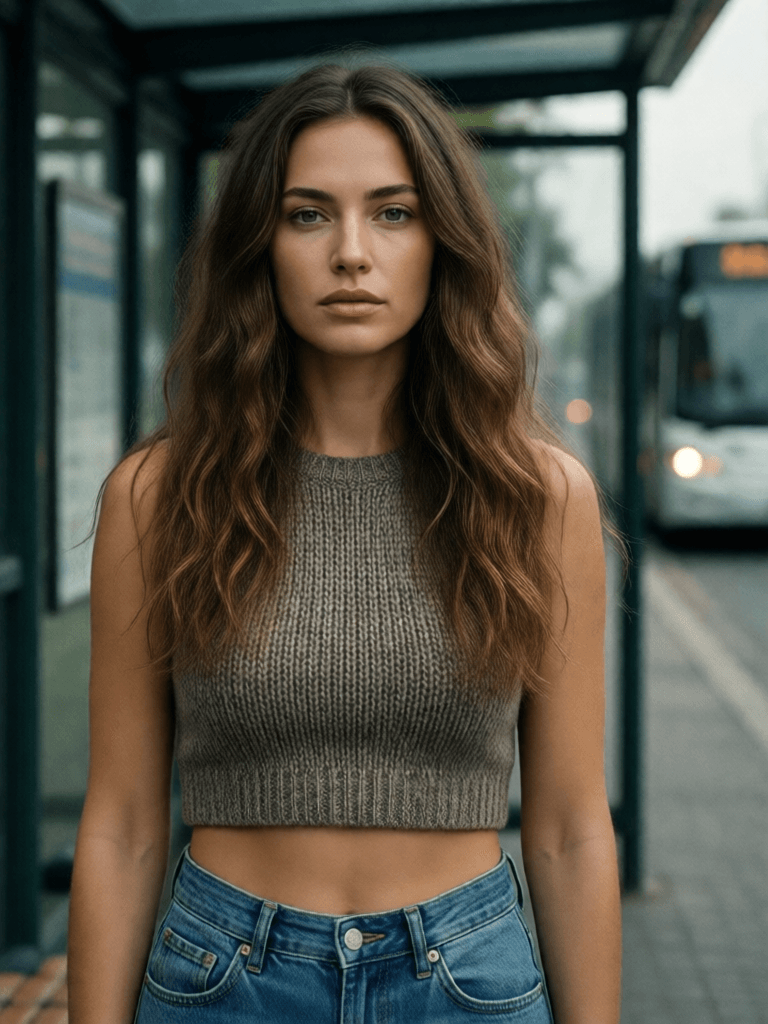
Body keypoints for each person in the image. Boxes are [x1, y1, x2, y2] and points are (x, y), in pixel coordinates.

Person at [68, 61, 625, 1024]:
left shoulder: (539, 498)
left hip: (468, 979)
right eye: (309, 214)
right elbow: (120, 827)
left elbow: (573, 831)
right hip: (221, 980)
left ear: (444, 241)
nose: (353, 253)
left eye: (395, 213)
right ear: (260, 246)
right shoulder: (159, 497)